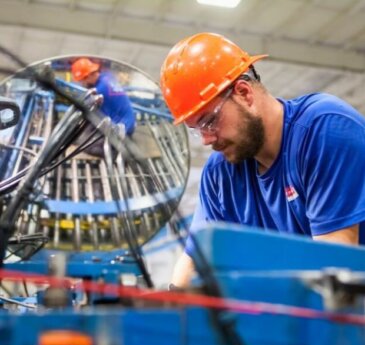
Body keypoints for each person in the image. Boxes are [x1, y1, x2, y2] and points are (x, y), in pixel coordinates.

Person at [160, 32, 365, 288]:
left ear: (244, 93)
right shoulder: (221, 173)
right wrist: (172, 310)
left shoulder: (324, 130)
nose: (205, 140)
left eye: (209, 121)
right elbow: (194, 258)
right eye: (196, 129)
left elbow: (333, 269)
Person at [71, 58, 136, 156]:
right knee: (85, 132)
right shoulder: (107, 76)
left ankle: (119, 152)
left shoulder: (100, 91)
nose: (82, 84)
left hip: (122, 129)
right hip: (128, 121)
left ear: (88, 76)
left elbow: (86, 109)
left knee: (85, 145)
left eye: (82, 81)